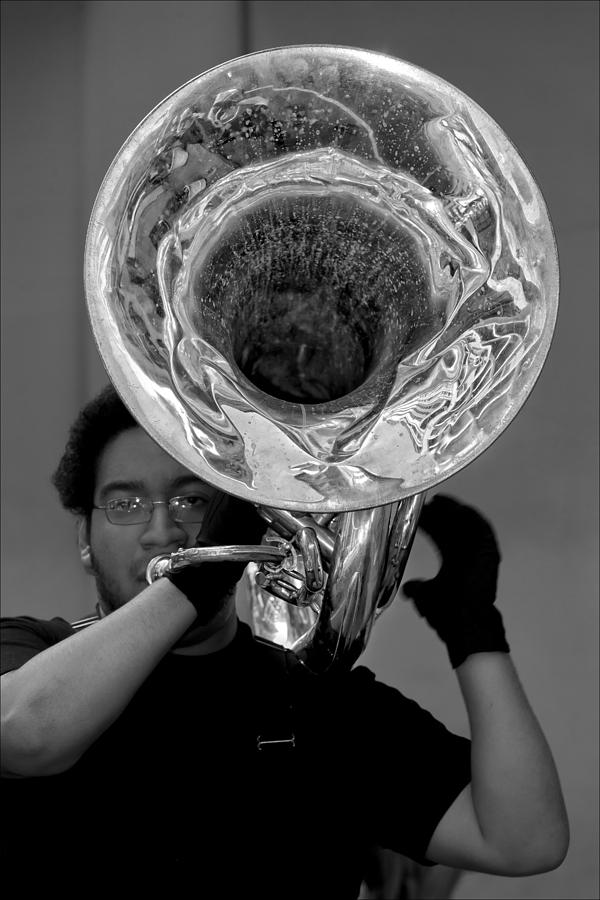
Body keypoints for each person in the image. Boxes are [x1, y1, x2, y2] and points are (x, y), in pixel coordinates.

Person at [1, 385, 569, 897]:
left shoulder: (319, 701)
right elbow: (26, 735)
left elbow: (524, 839)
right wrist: (197, 580)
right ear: (84, 539)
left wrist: (474, 629)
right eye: (126, 505)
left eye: (195, 501)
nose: (163, 531)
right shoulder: (31, 653)